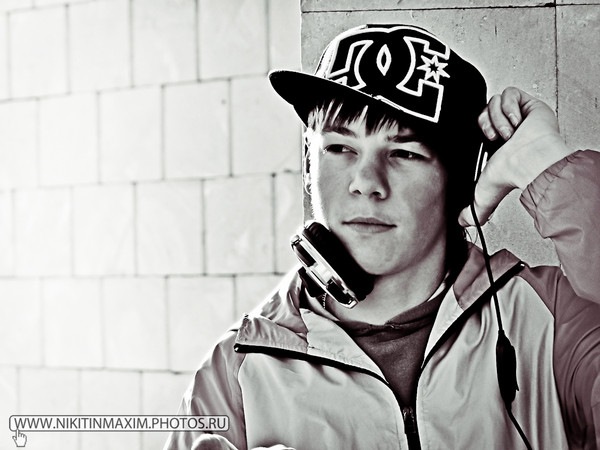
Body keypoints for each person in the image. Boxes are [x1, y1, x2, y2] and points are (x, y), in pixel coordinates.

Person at [164, 24, 600, 450]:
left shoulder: (549, 319)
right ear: (310, 164)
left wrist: (545, 162)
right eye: (339, 148)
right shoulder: (234, 372)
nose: (365, 182)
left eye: (404, 153)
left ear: (459, 181)